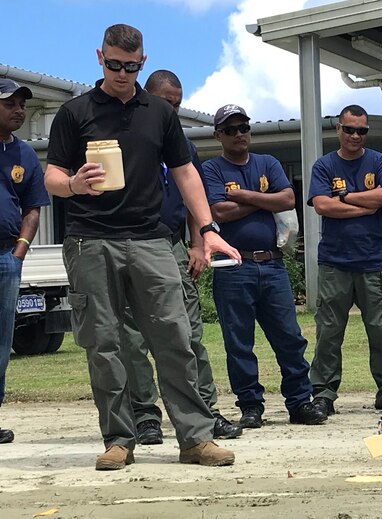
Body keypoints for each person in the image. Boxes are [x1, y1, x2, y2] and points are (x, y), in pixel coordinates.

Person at [44, 24, 240, 470]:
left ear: (142, 63)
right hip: (90, 239)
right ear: (99, 57)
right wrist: (74, 183)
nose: (122, 73)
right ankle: (118, 440)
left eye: (131, 67)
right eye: (114, 64)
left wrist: (207, 228)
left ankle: (195, 439)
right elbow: (51, 176)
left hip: (152, 239)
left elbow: (186, 172)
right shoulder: (74, 113)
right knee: (104, 343)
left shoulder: (160, 113)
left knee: (174, 337)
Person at [119, 70, 242, 446]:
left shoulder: (182, 144)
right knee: (133, 336)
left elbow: (194, 197)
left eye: (177, 104)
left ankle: (205, 410)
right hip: (131, 241)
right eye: (166, 103)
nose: (172, 110)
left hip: (172, 243)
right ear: (147, 96)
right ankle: (145, 416)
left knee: (188, 333)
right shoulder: (129, 133)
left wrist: (196, 243)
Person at [203, 104, 326, 428]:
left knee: (289, 337)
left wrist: (241, 195)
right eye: (230, 130)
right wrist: (261, 197)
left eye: (243, 127)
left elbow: (287, 200)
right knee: (238, 342)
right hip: (232, 265)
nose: (239, 134)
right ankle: (251, 407)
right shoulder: (212, 168)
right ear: (218, 135)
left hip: (272, 264)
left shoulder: (267, 162)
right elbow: (219, 212)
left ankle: (300, 403)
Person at [307, 104, 382, 417]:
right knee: (328, 331)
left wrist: (344, 197)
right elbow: (322, 206)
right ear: (338, 128)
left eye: (361, 130)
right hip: (334, 262)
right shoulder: (324, 165)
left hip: (374, 261)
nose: (355, 135)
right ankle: (323, 394)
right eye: (349, 129)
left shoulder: (379, 161)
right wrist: (364, 206)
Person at [0, 79, 50, 444]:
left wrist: (19, 251)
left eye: (21, 104)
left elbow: (32, 209)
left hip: (6, 257)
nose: (19, 109)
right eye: (9, 103)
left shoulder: (26, 155)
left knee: (2, 342)